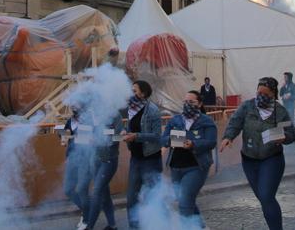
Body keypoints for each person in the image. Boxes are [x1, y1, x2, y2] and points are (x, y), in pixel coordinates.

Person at [220, 76, 295, 230]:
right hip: (249, 159)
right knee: (263, 198)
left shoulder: (280, 112)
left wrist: (284, 138)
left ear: (273, 94)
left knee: (267, 195)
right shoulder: (247, 107)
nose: (261, 96)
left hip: (271, 158)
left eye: (265, 93)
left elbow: (290, 134)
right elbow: (235, 122)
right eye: (258, 92)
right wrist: (228, 137)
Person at [161, 90, 217, 224]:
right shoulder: (175, 120)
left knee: (185, 202)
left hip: (196, 167)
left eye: (191, 102)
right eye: (185, 102)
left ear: (200, 103)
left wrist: (193, 144)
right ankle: (200, 225)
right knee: (185, 199)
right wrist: (173, 139)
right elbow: (163, 140)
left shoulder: (206, 121)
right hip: (176, 166)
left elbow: (211, 142)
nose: (187, 104)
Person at [121, 79, 163, 229]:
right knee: (131, 198)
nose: (131, 94)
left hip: (151, 159)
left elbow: (157, 136)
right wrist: (126, 133)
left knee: (154, 198)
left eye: (134, 91)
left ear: (143, 93)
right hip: (136, 159)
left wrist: (136, 136)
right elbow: (131, 128)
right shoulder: (132, 109)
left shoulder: (152, 110)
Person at [81, 106, 123, 230]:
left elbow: (118, 137)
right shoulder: (89, 114)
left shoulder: (115, 115)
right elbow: (82, 136)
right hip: (94, 159)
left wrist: (100, 140)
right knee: (104, 194)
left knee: (97, 192)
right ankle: (112, 225)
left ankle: (89, 227)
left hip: (109, 159)